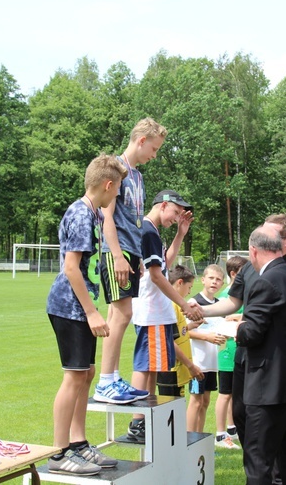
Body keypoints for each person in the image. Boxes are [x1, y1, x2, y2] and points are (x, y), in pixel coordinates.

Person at [45, 154, 127, 476]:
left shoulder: (92, 213)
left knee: (87, 373)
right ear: (108, 185)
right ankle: (59, 452)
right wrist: (92, 312)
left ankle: (78, 445)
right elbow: (70, 267)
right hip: (70, 306)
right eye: (118, 189)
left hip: (79, 307)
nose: (118, 195)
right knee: (74, 376)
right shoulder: (81, 214)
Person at [94, 118, 167, 404]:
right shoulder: (115, 169)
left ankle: (111, 377)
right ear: (141, 141)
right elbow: (106, 216)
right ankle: (104, 382)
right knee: (123, 313)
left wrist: (135, 256)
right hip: (117, 251)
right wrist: (117, 255)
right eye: (154, 148)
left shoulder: (137, 175)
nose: (155, 155)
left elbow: (133, 220)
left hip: (130, 253)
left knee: (117, 314)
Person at [234, 225, 286, 485]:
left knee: (258, 463)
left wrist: (238, 328)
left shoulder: (266, 280)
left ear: (253, 251)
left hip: (267, 389)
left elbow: (252, 333)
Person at [127, 190, 203, 443]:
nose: (177, 218)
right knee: (145, 365)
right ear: (164, 205)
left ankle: (144, 417)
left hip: (152, 311)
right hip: (150, 310)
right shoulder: (148, 231)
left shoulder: (153, 232)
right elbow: (158, 276)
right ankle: (138, 422)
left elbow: (165, 265)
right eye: (176, 213)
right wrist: (183, 304)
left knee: (151, 367)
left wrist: (180, 234)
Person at [187, 264, 227, 433]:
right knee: (195, 401)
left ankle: (200, 440)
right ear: (203, 280)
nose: (214, 282)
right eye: (211, 278)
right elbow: (184, 332)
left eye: (218, 279)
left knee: (205, 401)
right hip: (197, 361)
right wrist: (207, 337)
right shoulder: (193, 302)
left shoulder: (220, 305)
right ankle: (189, 440)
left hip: (211, 362)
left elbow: (220, 328)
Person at [214, 256, 248, 450]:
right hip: (227, 353)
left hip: (239, 352)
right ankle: (220, 434)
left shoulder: (242, 293)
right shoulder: (229, 294)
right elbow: (224, 322)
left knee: (235, 394)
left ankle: (231, 428)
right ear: (234, 274)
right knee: (225, 394)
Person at [156, 265, 204, 397]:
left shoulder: (175, 304)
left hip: (177, 371)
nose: (189, 292)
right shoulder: (170, 305)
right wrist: (190, 366)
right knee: (169, 414)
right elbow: (168, 341)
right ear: (180, 282)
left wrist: (189, 327)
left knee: (176, 413)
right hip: (171, 371)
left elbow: (175, 334)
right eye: (189, 287)